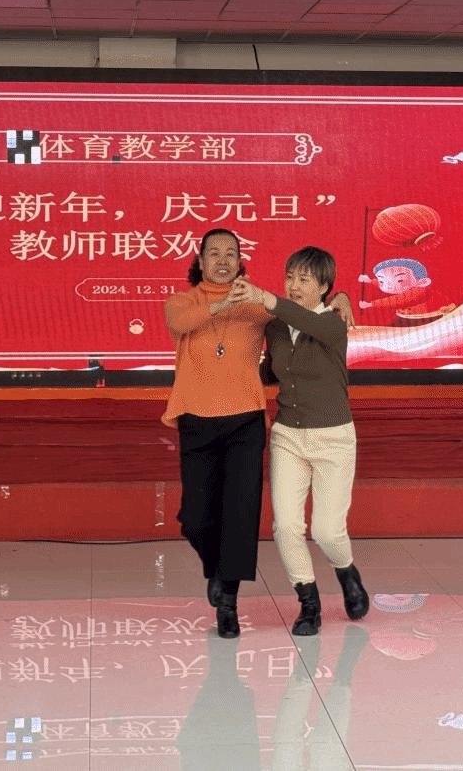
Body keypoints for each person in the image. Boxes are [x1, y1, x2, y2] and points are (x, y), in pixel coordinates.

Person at [231, 246, 370, 636]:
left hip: (333, 438)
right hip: (288, 436)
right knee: (287, 526)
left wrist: (266, 298)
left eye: (304, 279)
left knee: (327, 531)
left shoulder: (334, 322)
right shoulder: (276, 327)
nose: (293, 285)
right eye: (289, 277)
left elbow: (306, 320)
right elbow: (271, 372)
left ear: (324, 287)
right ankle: (309, 603)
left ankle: (346, 571)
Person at [163, 228, 274, 639]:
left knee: (240, 513)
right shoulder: (182, 302)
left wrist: (341, 297)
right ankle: (215, 568)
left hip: (245, 420)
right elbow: (182, 323)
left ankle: (228, 602)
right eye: (214, 253)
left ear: (241, 260)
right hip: (196, 418)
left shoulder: (257, 305)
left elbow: (300, 312)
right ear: (201, 260)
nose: (223, 260)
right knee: (195, 518)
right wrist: (225, 302)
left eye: (231, 253)